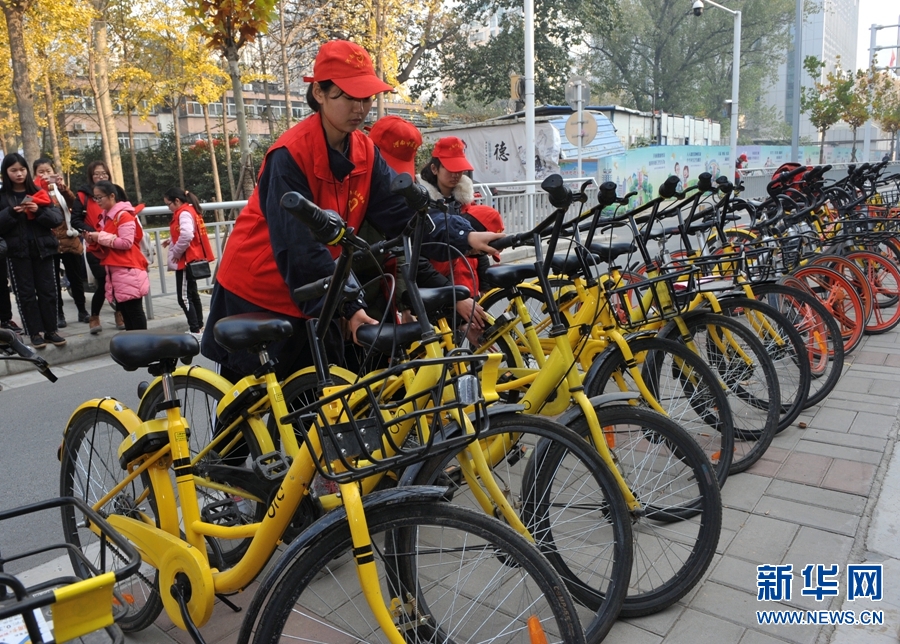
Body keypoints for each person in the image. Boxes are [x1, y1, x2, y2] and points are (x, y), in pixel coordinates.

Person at [202, 39, 503, 382]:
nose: (360, 108)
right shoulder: (288, 155)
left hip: (319, 285)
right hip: (260, 289)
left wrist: (464, 234)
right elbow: (300, 248)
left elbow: (403, 213)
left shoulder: (365, 150)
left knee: (320, 409)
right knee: (250, 411)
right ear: (319, 92)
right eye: (349, 96)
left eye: (367, 97)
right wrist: (349, 306)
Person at [418, 136, 504, 337]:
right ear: (434, 169)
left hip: (464, 289)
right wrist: (454, 296)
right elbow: (419, 261)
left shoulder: (464, 202)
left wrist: (485, 287)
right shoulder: (422, 206)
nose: (456, 174)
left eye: (460, 169)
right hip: (435, 290)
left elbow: (477, 250)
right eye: (450, 168)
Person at [0, 153, 66, 348]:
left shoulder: (38, 191)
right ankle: (34, 332)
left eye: (22, 169)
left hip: (43, 249)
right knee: (26, 293)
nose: (19, 174)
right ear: (6, 172)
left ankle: (51, 330)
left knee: (48, 291)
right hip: (17, 252)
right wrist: (11, 212)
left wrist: (38, 211)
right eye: (13, 170)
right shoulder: (3, 197)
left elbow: (56, 219)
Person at [83, 181, 149, 330]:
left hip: (128, 268)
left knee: (134, 311)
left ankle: (143, 346)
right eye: (96, 198)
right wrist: (92, 240)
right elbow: (106, 245)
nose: (97, 201)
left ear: (112, 196)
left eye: (100, 197)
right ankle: (135, 347)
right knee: (126, 312)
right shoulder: (106, 217)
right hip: (117, 270)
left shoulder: (123, 215)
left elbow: (126, 243)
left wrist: (99, 237)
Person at [33, 158, 90, 328]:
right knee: (52, 282)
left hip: (69, 238)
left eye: (48, 171)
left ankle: (82, 310)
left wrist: (63, 189)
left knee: (76, 278)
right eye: (41, 172)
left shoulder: (61, 189)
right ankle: (59, 314)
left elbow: (74, 205)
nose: (45, 175)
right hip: (49, 242)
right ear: (34, 174)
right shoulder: (35, 191)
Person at [71, 161, 125, 334]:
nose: (101, 176)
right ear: (90, 176)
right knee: (103, 282)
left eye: (104, 173)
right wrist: (93, 232)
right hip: (95, 246)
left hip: (114, 244)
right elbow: (75, 220)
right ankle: (94, 317)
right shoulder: (83, 195)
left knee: (117, 282)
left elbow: (126, 212)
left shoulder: (116, 191)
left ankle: (120, 314)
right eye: (96, 174)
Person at [163, 188, 214, 334]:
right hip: (191, 258)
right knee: (192, 293)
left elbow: (186, 234)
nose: (169, 208)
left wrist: (176, 252)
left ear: (177, 201)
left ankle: (195, 329)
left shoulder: (183, 213)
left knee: (184, 297)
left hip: (186, 260)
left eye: (169, 204)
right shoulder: (189, 210)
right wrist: (171, 240)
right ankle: (199, 326)